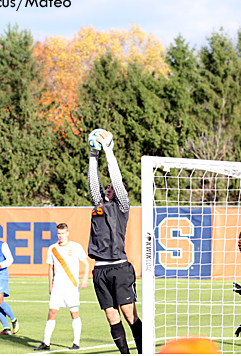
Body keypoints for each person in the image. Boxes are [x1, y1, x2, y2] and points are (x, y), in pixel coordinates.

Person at [87, 130, 142, 354]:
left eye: (112, 188)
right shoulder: (99, 204)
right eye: (107, 187)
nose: (109, 188)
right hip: (100, 269)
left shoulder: (122, 206)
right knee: (111, 316)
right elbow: (93, 182)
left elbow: (117, 180)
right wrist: (93, 155)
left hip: (119, 267)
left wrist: (108, 151)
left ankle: (143, 351)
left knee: (130, 315)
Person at [34, 223, 90, 351]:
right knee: (52, 312)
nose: (61, 236)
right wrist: (50, 285)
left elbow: (86, 264)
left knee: (74, 313)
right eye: (59, 233)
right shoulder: (52, 248)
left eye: (63, 233)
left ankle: (76, 343)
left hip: (71, 286)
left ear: (67, 233)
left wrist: (85, 279)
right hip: (58, 287)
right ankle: (46, 343)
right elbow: (50, 268)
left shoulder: (75, 247)